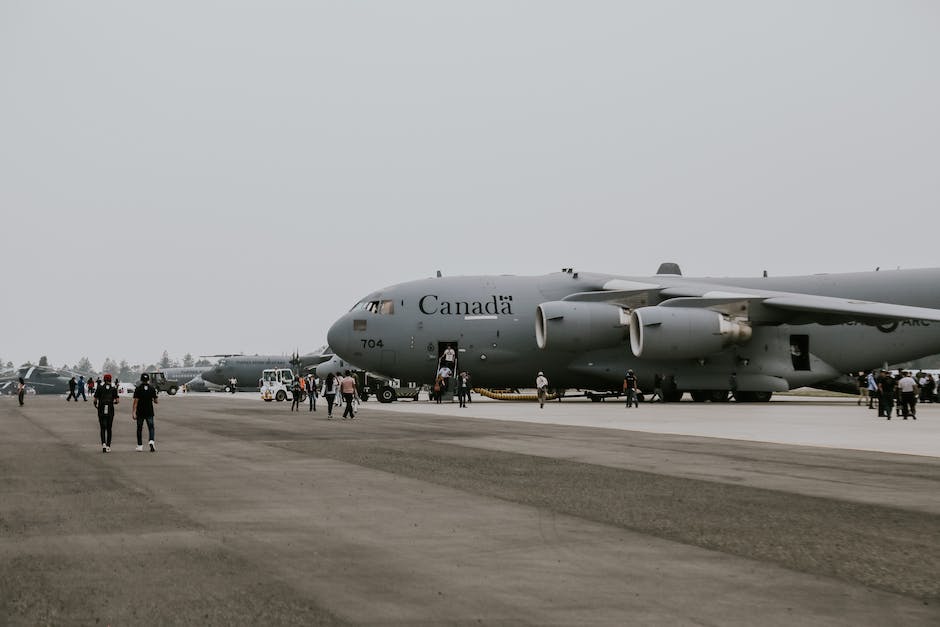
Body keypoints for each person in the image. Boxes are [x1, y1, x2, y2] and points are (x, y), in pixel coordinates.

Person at [132, 372, 158, 452]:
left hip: (140, 412)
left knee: (139, 428)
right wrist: (153, 398)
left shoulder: (138, 388)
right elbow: (156, 401)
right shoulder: (152, 388)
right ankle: (151, 441)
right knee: (151, 427)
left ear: (141, 379)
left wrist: (133, 412)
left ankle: (140, 445)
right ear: (148, 380)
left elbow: (135, 401)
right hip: (149, 411)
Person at [94, 373, 119, 453]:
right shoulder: (113, 389)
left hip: (101, 408)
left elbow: (95, 399)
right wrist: (113, 402)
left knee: (102, 427)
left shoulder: (99, 388)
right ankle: (108, 446)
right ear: (110, 380)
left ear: (104, 380)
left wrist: (96, 405)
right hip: (110, 409)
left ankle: (103, 444)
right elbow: (117, 401)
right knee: (109, 428)